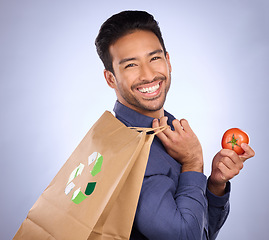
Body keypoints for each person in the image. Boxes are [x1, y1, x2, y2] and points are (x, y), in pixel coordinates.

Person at [95, 10, 255, 240]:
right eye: (131, 65)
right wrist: (193, 162)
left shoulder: (165, 127)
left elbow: (201, 232)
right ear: (111, 78)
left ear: (168, 61)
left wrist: (214, 186)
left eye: (154, 58)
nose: (149, 74)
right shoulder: (130, 152)